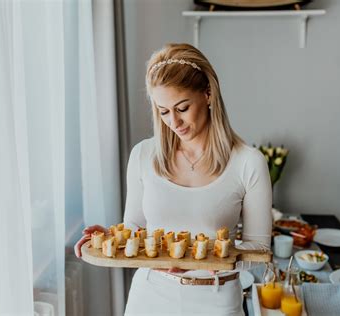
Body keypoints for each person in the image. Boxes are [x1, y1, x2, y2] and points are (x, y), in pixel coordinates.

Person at [74, 43, 272, 316]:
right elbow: (135, 228)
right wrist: (112, 238)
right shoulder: (143, 155)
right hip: (150, 294)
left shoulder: (248, 162)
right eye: (163, 111)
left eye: (182, 107)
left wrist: (210, 260)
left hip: (216, 299)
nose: (174, 122)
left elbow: (259, 248)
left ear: (208, 94)